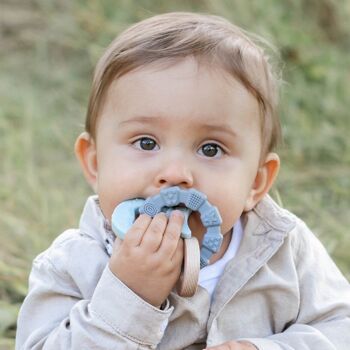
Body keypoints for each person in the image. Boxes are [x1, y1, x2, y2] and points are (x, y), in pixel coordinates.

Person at [16, 12, 350, 350]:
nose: (175, 172)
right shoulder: (73, 264)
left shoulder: (283, 248)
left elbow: (341, 328)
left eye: (210, 148)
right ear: (95, 163)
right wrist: (127, 297)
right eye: (146, 143)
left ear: (256, 183)